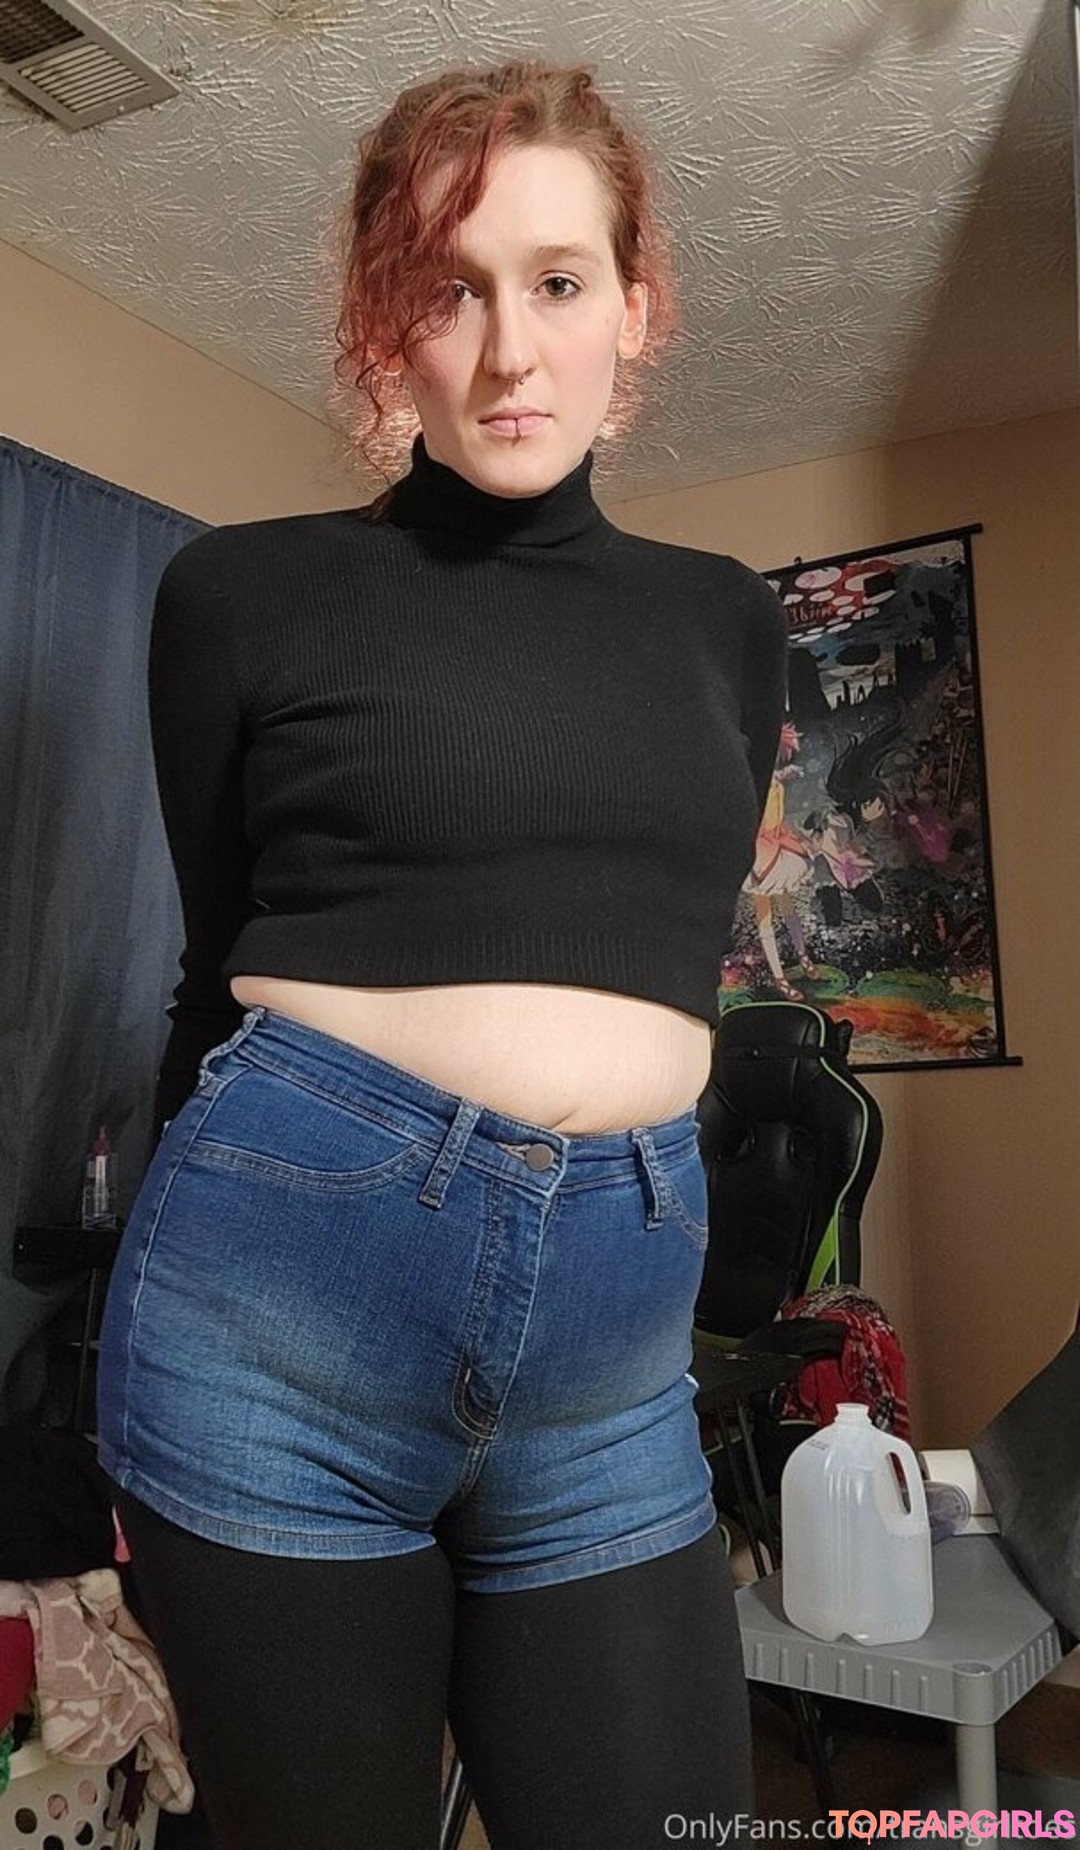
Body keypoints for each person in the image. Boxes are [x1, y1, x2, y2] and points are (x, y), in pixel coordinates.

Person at [96, 57, 788, 1850]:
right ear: (380, 323)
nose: (506, 353)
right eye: (447, 289)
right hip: (270, 1343)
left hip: (612, 1380)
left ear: (636, 306)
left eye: (556, 282)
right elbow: (209, 983)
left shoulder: (727, 624)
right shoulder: (237, 595)